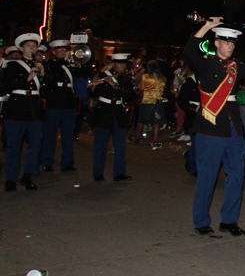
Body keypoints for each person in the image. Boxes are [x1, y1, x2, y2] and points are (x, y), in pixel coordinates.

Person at [183, 18, 245, 236]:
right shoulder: (205, 63)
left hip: (233, 127)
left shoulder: (235, 67)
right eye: (226, 42)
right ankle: (201, 220)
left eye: (233, 42)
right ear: (217, 42)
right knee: (207, 176)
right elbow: (188, 52)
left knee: (237, 175)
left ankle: (229, 220)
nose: (230, 46)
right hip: (211, 126)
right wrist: (206, 27)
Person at [3, 33, 46, 191]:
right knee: (14, 146)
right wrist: (26, 78)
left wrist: (42, 74)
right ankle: (11, 179)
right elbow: (5, 85)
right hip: (17, 109)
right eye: (28, 46)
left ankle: (28, 175)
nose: (32, 48)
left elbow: (47, 90)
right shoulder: (13, 65)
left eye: (34, 46)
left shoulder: (40, 65)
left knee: (35, 144)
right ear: (21, 49)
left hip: (34, 109)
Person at [90, 53, 135, 182]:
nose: (123, 66)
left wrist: (114, 86)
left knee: (120, 145)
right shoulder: (102, 76)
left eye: (124, 64)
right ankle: (98, 173)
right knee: (100, 144)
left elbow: (128, 96)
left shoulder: (126, 79)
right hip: (103, 111)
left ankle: (119, 173)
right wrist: (94, 85)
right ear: (113, 64)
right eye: (120, 64)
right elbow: (94, 93)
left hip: (118, 112)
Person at [39, 40, 80, 173]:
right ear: (53, 51)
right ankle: (47, 161)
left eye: (64, 49)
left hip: (68, 103)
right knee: (50, 135)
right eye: (59, 49)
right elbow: (51, 78)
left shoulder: (70, 65)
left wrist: (75, 62)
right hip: (54, 103)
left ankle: (67, 163)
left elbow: (83, 74)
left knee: (68, 136)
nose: (63, 51)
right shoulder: (49, 65)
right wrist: (65, 62)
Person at [134, 60, 167, 149]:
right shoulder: (162, 78)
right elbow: (163, 90)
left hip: (147, 101)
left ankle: (137, 136)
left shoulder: (146, 77)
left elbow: (141, 87)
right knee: (157, 121)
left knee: (142, 119)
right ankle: (155, 138)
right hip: (158, 101)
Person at [177, 65, 200, 175]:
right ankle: (194, 167)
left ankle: (189, 155)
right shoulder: (189, 83)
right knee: (196, 143)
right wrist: (192, 107)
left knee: (201, 144)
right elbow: (181, 101)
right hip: (192, 117)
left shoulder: (207, 81)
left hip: (204, 117)